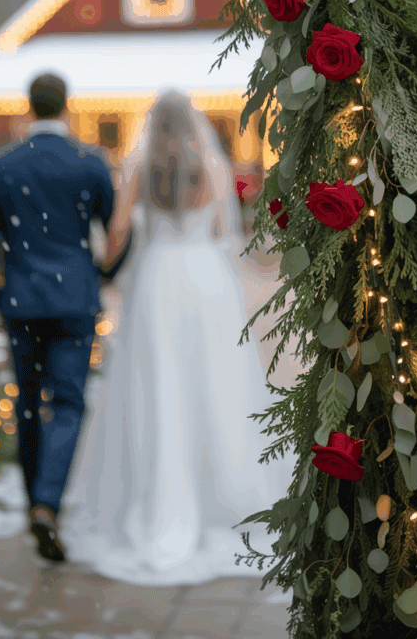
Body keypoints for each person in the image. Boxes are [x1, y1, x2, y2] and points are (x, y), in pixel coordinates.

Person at [64, 90, 297, 585]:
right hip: (205, 278)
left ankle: (159, 492)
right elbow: (221, 228)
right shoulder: (210, 167)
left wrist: (106, 258)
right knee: (215, 383)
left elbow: (121, 229)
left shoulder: (140, 169)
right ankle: (223, 492)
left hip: (158, 279)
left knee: (159, 383)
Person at [0, 73, 132, 563]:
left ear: (29, 107)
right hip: (74, 296)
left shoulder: (1, 164)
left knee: (26, 401)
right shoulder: (89, 161)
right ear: (67, 107)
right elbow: (117, 227)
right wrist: (105, 273)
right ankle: (48, 502)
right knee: (67, 401)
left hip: (21, 298)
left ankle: (33, 502)